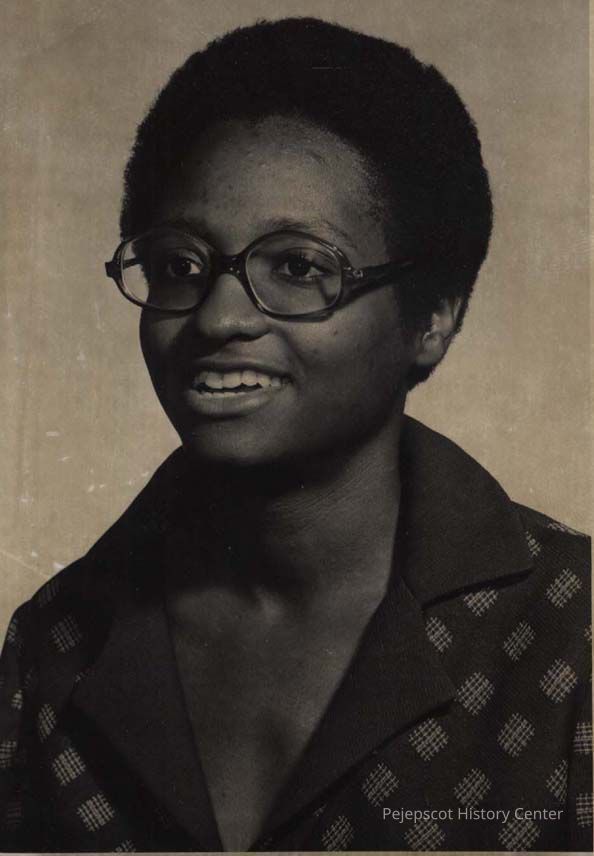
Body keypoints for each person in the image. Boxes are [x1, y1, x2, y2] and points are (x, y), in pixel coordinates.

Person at [0, 16, 590, 853]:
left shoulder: (574, 630)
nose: (219, 317)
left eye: (299, 267)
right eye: (178, 266)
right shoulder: (53, 646)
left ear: (432, 318)